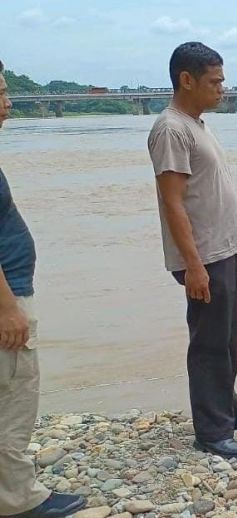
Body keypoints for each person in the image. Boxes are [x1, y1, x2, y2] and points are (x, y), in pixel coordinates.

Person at [147, 42, 237, 459]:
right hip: (204, 257)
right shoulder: (171, 129)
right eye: (214, 81)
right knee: (209, 344)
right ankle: (211, 431)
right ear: (186, 80)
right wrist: (193, 267)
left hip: (223, 250)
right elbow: (172, 201)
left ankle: (229, 412)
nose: (222, 88)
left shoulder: (197, 124)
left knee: (228, 339)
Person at [0, 60, 86, 518]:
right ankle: (17, 500)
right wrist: (7, 308)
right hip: (6, 298)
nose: (8, 103)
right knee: (13, 398)